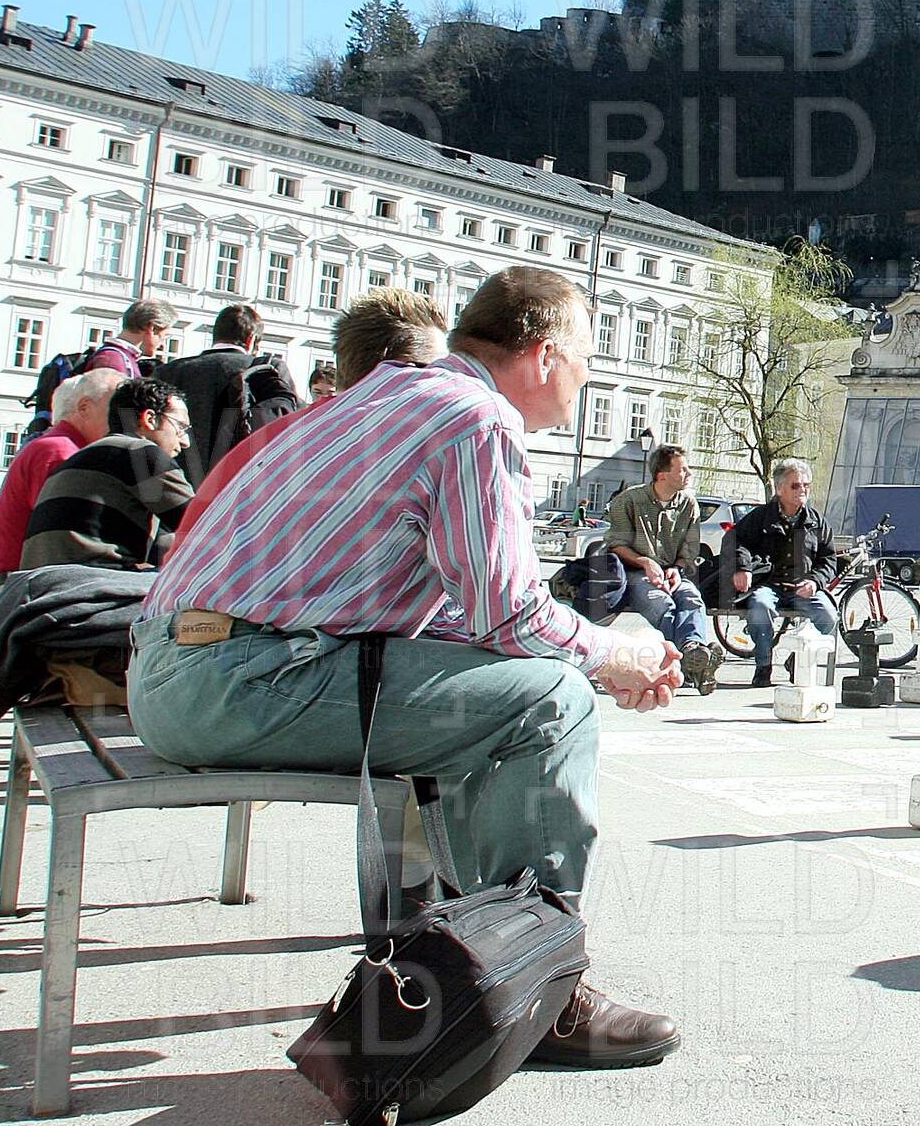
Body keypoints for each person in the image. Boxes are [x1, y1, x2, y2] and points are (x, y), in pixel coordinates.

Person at [130, 266, 685, 1068]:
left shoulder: (383, 395)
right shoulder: (477, 420)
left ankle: (472, 960)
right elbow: (508, 613)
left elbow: (464, 619)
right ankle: (536, 988)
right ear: (544, 354)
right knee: (551, 701)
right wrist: (615, 654)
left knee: (494, 692)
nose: (587, 378)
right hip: (236, 676)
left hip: (178, 665)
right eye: (586, 359)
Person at [174, 289, 449, 546]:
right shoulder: (405, 452)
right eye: (440, 370)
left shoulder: (270, 440)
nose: (450, 383)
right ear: (400, 371)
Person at [571, 445, 721, 695]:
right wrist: (645, 563)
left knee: (692, 599)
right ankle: (690, 664)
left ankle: (692, 650)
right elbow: (616, 544)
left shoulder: (688, 504)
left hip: (672, 571)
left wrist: (677, 568)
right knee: (664, 605)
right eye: (682, 470)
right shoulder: (629, 500)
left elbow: (690, 548)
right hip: (635, 572)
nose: (689, 474)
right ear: (662, 475)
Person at [20, 379, 195, 571]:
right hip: (89, 581)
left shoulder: (83, 457)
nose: (185, 442)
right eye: (180, 427)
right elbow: (203, 525)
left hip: (42, 580)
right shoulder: (139, 452)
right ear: (150, 419)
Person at [0, 368, 121, 592]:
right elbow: (67, 533)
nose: (122, 419)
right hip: (30, 586)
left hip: (31, 580)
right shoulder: (60, 450)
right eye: (115, 409)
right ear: (84, 408)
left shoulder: (60, 445)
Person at [155, 302, 303, 485]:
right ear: (251, 340)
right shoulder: (267, 370)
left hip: (174, 481)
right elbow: (291, 422)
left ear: (215, 335)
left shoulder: (169, 371)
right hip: (238, 483)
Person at [724, 457, 841, 689]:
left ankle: (797, 659)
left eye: (806, 485)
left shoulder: (817, 522)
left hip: (803, 587)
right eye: (795, 485)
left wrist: (815, 582)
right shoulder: (761, 517)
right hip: (769, 585)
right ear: (779, 489)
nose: (802, 490)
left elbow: (829, 560)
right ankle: (763, 665)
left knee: (829, 615)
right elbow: (735, 540)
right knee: (760, 606)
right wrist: (742, 568)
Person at [78, 298, 175, 380]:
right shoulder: (113, 360)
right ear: (152, 329)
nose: (162, 344)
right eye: (164, 336)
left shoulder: (119, 357)